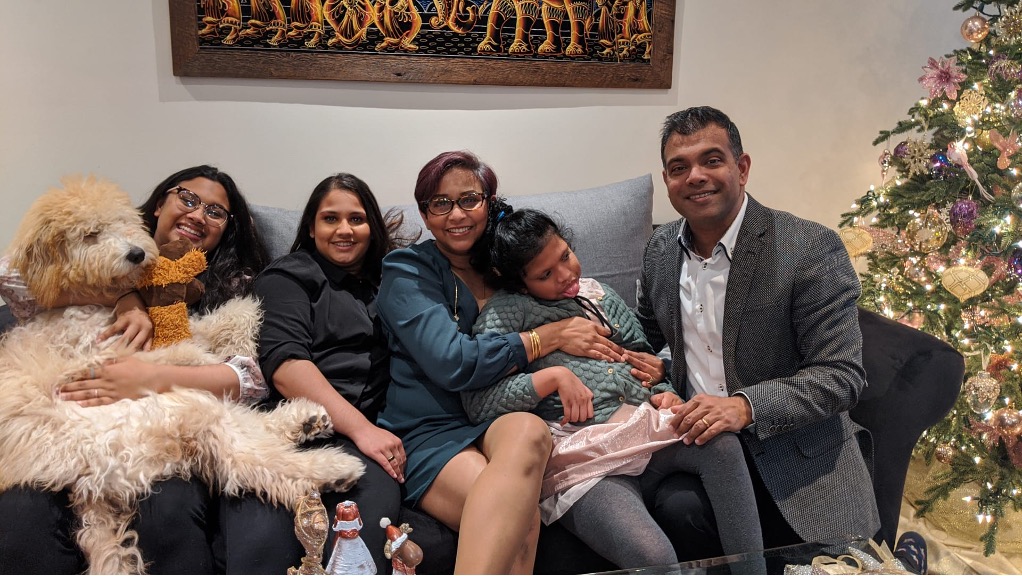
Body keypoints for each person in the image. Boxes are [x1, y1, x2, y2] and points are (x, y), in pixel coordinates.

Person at [0, 165, 271, 574]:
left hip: (157, 430)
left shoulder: (231, 286)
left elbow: (248, 381)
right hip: (62, 425)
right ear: (160, 202)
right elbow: (13, 276)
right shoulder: (101, 248)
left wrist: (149, 377)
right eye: (189, 199)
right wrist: (126, 293)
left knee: (168, 506)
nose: (198, 215)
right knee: (23, 509)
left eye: (216, 212)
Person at [462, 208, 766, 571]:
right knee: (652, 556)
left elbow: (644, 357)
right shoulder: (508, 312)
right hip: (583, 457)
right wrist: (551, 376)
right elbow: (480, 401)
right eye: (545, 275)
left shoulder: (599, 295)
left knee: (720, 443)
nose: (565, 275)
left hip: (644, 428)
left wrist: (663, 387)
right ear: (520, 283)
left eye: (565, 256)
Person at [636, 106, 880, 555]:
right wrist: (654, 379)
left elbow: (841, 376)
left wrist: (744, 407)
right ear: (668, 181)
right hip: (704, 450)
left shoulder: (808, 248)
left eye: (711, 160)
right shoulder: (658, 251)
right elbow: (646, 343)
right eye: (678, 167)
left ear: (742, 168)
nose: (695, 176)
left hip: (800, 457)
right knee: (675, 511)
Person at [375, 150, 633, 574]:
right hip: (432, 431)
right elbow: (451, 363)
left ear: (489, 202)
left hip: (497, 415)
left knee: (530, 431)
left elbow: (584, 313)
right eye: (441, 203)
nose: (457, 214)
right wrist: (543, 339)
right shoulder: (407, 272)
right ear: (424, 214)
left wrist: (640, 361)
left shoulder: (507, 267)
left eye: (469, 199)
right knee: (518, 520)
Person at [223, 173, 405, 574]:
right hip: (293, 433)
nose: (344, 229)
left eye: (356, 219)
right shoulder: (290, 276)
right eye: (330, 218)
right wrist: (362, 429)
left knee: (358, 544)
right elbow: (286, 367)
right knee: (262, 542)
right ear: (311, 226)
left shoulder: (389, 282)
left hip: (365, 442)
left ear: (371, 227)